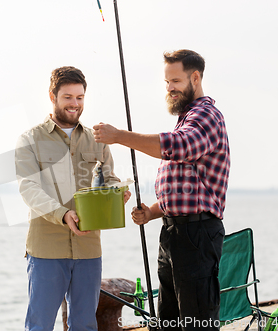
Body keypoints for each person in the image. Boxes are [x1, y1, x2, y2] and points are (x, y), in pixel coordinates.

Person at [93, 50, 230, 331]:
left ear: (195, 77)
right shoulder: (187, 117)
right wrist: (153, 212)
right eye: (166, 82)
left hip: (196, 236)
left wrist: (119, 137)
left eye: (176, 81)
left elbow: (180, 146)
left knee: (197, 323)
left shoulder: (206, 115)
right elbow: (188, 190)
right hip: (174, 235)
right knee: (168, 321)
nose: (169, 88)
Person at [15, 66, 131, 331]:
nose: (74, 104)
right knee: (40, 325)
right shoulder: (30, 140)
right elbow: (28, 188)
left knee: (84, 325)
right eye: (68, 97)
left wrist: (117, 194)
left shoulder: (97, 140)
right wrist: (63, 214)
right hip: (46, 250)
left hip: (88, 249)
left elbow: (109, 178)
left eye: (79, 97)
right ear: (52, 96)